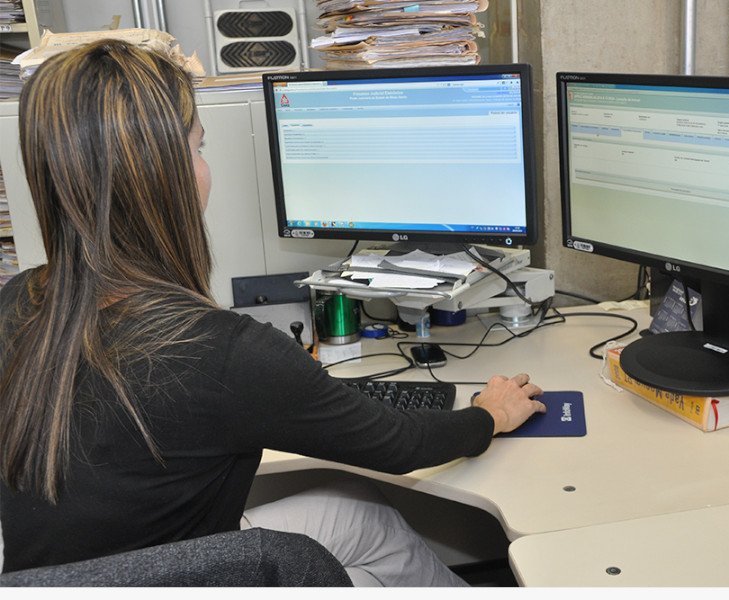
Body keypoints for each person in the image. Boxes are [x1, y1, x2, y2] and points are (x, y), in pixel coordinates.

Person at [0, 40, 545, 585]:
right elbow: (399, 444)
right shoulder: (220, 353)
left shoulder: (16, 302)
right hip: (176, 579)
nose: (204, 167)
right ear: (163, 176)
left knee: (358, 510)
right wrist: (489, 414)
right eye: (197, 147)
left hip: (66, 582)